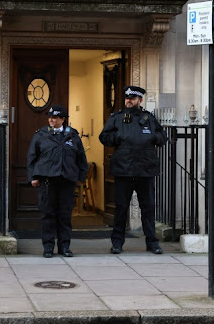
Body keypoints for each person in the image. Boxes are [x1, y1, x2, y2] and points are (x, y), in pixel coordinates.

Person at [99, 86, 168, 255]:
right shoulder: (117, 118)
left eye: (132, 98)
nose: (128, 101)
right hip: (123, 170)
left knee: (148, 208)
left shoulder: (149, 118)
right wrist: (119, 137)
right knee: (121, 208)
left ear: (140, 100)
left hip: (145, 170)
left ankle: (152, 242)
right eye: (127, 98)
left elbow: (163, 137)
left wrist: (152, 136)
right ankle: (117, 243)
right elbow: (104, 137)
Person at [27, 104, 88, 258]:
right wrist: (33, 177)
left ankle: (64, 247)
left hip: (67, 180)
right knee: (48, 215)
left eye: (55, 117)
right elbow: (32, 157)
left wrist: (81, 178)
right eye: (50, 117)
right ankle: (48, 247)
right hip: (48, 181)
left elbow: (81, 158)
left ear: (62, 119)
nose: (51, 120)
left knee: (65, 215)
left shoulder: (72, 135)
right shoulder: (41, 134)